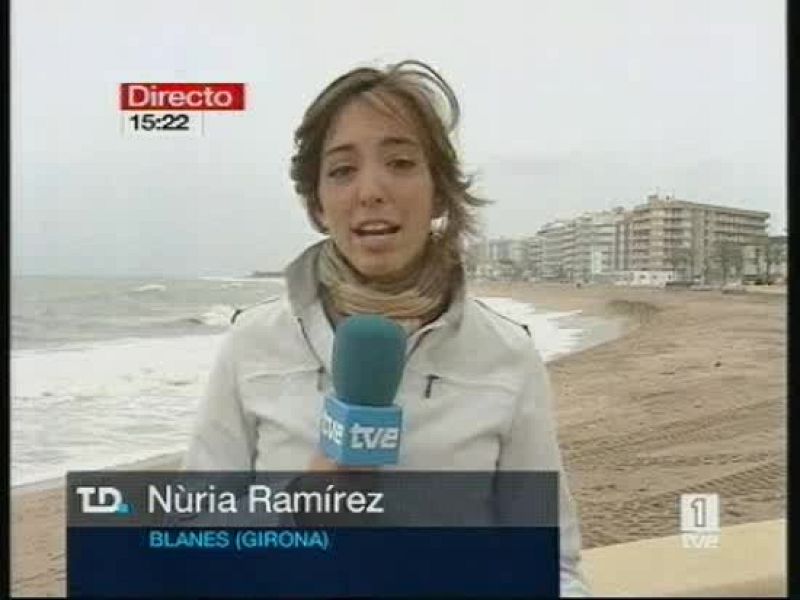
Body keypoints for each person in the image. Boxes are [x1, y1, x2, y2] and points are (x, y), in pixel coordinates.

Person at [184, 59, 591, 597]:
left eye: (400, 162)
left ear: (441, 192)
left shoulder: (507, 355)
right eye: (342, 170)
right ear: (316, 205)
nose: (371, 191)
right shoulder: (252, 343)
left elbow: (552, 566)